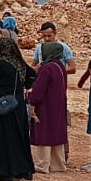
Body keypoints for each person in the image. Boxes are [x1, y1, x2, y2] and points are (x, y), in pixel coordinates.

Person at [0, 36, 36, 181]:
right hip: (18, 105)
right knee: (19, 136)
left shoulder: (1, 64)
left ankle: (5, 172)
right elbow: (32, 76)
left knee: (3, 138)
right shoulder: (20, 63)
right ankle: (23, 170)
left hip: (2, 105)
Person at [27, 41, 71, 173]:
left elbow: (39, 89)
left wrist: (32, 100)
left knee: (44, 131)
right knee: (56, 131)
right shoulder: (60, 66)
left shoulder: (47, 68)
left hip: (46, 105)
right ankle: (58, 164)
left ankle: (43, 164)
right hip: (58, 103)